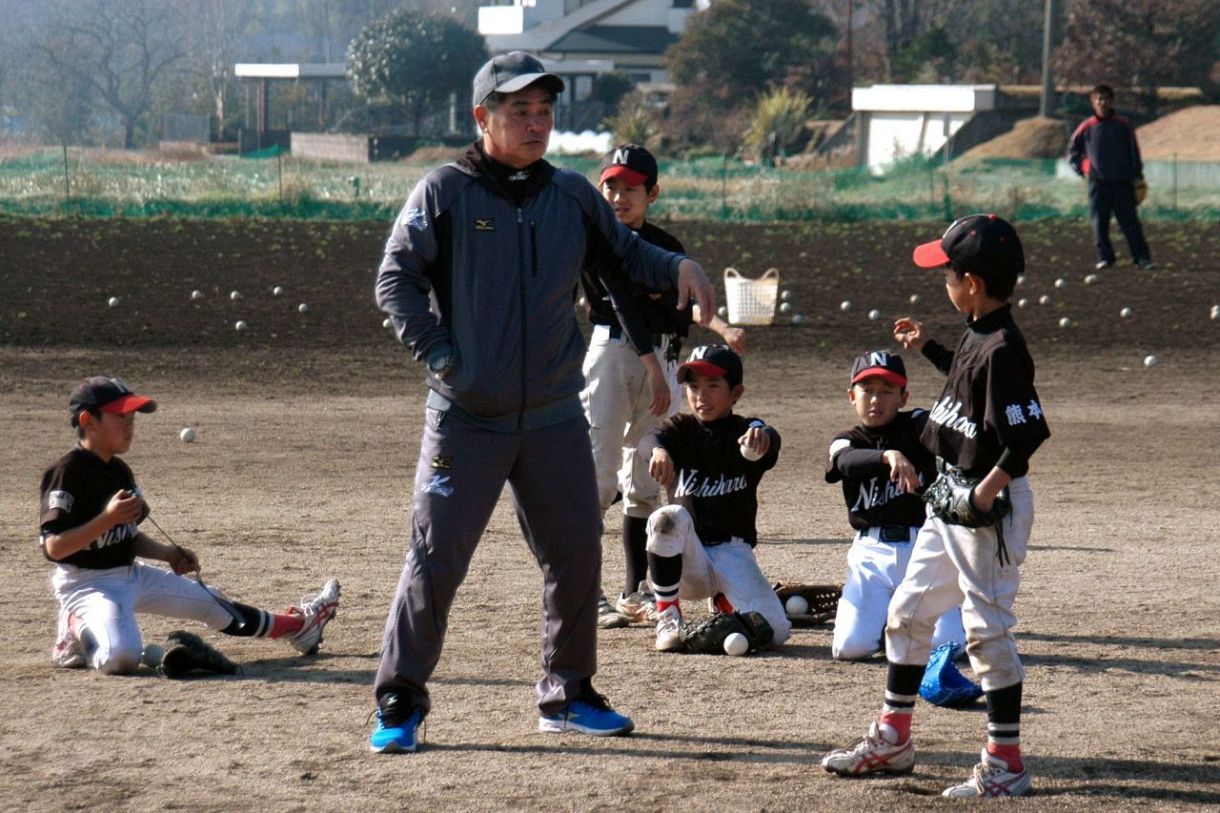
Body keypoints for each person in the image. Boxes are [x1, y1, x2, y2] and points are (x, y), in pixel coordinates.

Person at [369, 51, 716, 753]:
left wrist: (677, 263)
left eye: (545, 112)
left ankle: (567, 692)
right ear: (482, 117)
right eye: (519, 111)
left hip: (555, 412)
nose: (535, 123)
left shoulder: (571, 194)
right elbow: (395, 279)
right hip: (466, 415)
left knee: (576, 553)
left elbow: (624, 254)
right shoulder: (445, 191)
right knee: (435, 560)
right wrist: (442, 357)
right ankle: (400, 702)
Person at [820, 214, 1050, 798]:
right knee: (908, 613)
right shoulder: (979, 331)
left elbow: (1025, 435)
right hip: (949, 500)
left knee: (986, 632)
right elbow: (970, 380)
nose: (943, 279)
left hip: (982, 511)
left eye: (948, 270)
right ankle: (893, 740)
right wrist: (927, 347)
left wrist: (985, 490)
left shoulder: (1003, 348)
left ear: (970, 281)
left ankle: (1006, 765)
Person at [40, 376, 340, 675]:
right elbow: (54, 547)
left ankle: (300, 628)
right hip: (85, 584)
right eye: (120, 416)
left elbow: (124, 536)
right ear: (87, 420)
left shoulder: (118, 470)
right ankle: (75, 624)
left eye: (132, 416)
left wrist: (167, 553)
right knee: (121, 658)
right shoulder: (67, 472)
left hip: (129, 574)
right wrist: (108, 517)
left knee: (213, 603)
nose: (130, 424)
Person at [582, 143, 747, 630]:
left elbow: (684, 306)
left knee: (648, 482)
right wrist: (653, 366)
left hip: (667, 358)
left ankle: (637, 592)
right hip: (615, 357)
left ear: (652, 192)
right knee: (595, 478)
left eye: (630, 187)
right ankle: (585, 596)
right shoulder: (596, 241)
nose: (618, 195)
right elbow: (626, 309)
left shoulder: (664, 245)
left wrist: (721, 329)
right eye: (610, 185)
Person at [639, 344, 790, 652]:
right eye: (693, 386)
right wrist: (658, 450)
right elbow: (649, 438)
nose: (700, 395)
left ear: (736, 393)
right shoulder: (680, 428)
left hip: (733, 553)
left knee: (775, 632)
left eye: (712, 386)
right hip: (686, 559)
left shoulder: (745, 431)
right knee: (667, 517)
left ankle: (725, 605)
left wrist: (762, 436)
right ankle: (668, 615)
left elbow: (768, 439)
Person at [825, 350, 965, 661]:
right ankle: (883, 616)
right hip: (871, 554)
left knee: (949, 645)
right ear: (851, 396)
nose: (876, 399)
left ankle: (950, 604)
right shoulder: (847, 440)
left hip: (924, 548)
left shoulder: (916, 425)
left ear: (903, 397)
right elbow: (843, 463)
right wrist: (888, 455)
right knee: (850, 648)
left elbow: (948, 420)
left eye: (887, 391)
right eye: (867, 390)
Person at [1068, 83, 1154, 270]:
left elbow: (1134, 152)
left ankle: (1142, 258)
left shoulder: (1123, 125)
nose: (1103, 102)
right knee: (1100, 224)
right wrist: (1082, 169)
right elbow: (1073, 152)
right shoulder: (1086, 127)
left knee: (1130, 223)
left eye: (1106, 99)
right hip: (1098, 184)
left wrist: (1137, 176)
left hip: (1122, 183)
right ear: (1093, 103)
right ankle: (1105, 258)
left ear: (1112, 101)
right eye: (1099, 99)